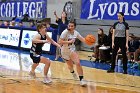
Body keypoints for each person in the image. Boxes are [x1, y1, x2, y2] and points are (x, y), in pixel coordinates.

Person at [59, 20, 87, 86]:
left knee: (78, 63)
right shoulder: (65, 32)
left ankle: (81, 79)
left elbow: (83, 39)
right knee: (70, 66)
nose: (70, 27)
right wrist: (69, 42)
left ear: (74, 27)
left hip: (72, 50)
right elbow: (60, 41)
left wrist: (89, 41)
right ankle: (73, 73)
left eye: (72, 26)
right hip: (64, 51)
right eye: (69, 26)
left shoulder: (76, 33)